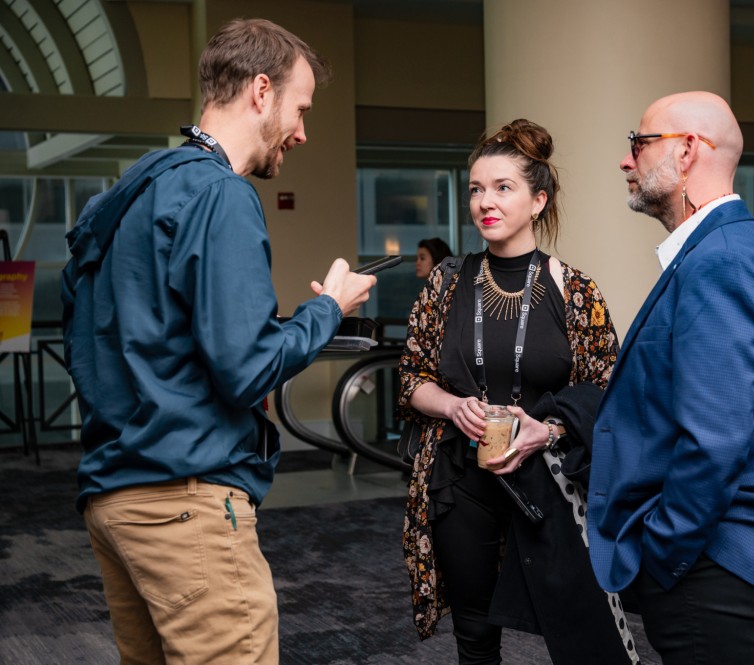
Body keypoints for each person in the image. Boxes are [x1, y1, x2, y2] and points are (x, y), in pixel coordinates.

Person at [60, 18, 376, 664]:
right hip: (186, 504)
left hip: (112, 501)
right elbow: (247, 367)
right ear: (262, 92)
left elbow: (85, 340)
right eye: (301, 109)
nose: (303, 132)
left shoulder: (128, 194)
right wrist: (327, 309)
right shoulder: (221, 194)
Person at [398, 119, 636, 665]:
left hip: (550, 482)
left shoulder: (574, 290)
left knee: (579, 628)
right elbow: (411, 378)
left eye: (503, 188)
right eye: (477, 189)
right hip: (460, 479)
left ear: (538, 200)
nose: (486, 201)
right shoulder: (447, 282)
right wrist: (453, 405)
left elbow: (607, 389)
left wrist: (547, 430)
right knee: (475, 635)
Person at [587, 92, 754, 664]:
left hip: (711, 563)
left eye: (639, 144)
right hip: (732, 557)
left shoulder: (722, 258)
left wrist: (665, 552)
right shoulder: (744, 246)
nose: (625, 159)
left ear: (687, 151)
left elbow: (715, 441)